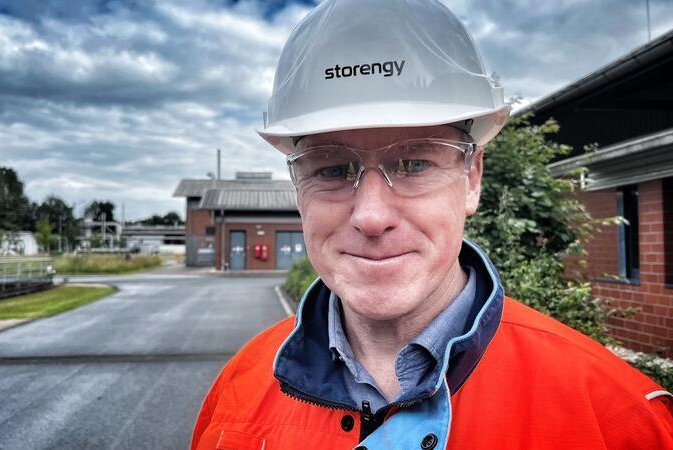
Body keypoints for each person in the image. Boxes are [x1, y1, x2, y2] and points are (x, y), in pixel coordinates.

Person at [191, 0, 673, 449]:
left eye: (414, 164)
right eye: (331, 169)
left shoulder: (617, 419)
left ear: (472, 179)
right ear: (299, 190)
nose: (372, 217)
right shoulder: (238, 393)